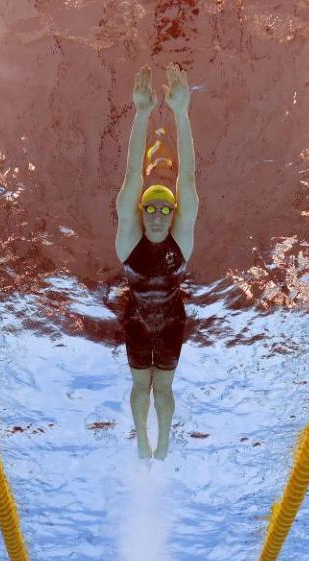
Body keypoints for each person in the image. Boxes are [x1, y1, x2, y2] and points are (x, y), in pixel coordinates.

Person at [115, 63, 199, 460]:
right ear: (140, 209)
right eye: (151, 207)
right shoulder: (128, 239)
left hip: (171, 319)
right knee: (138, 386)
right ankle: (142, 440)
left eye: (166, 210)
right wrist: (142, 113)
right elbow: (134, 172)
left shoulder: (181, 239)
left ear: (175, 213)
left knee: (161, 388)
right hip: (134, 317)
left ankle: (162, 440)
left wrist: (181, 113)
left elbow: (188, 180)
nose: (158, 215)